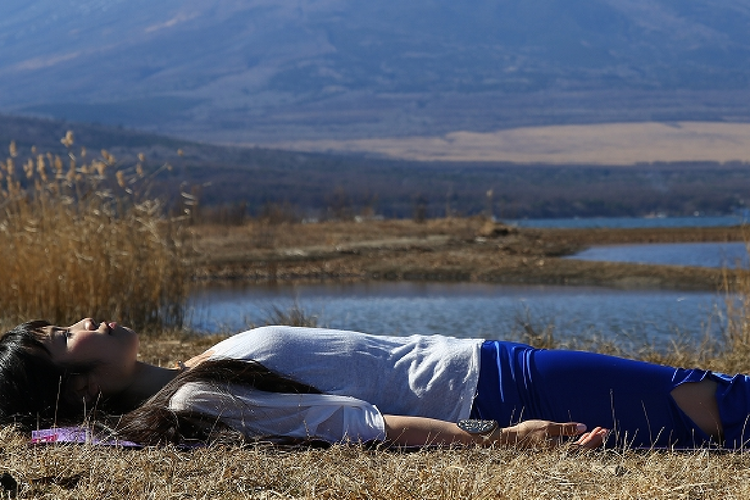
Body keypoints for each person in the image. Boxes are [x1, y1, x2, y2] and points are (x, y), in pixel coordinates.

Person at [0, 317, 737, 450]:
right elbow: (360, 426)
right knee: (711, 407)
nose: (83, 319)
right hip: (500, 391)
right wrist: (502, 440)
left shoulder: (195, 372)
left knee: (711, 396)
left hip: (493, 365)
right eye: (65, 337)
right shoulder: (201, 400)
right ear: (84, 387)